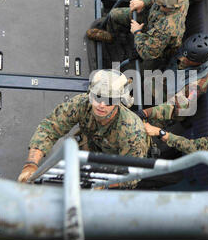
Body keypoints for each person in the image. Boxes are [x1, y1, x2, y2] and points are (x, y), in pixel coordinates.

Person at [17, 69, 150, 185]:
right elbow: (50, 127)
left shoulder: (132, 132)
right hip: (93, 145)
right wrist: (31, 165)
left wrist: (102, 186)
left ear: (118, 102)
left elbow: (131, 176)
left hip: (117, 163)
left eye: (110, 100)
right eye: (97, 97)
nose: (101, 104)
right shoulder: (82, 103)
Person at [86, 0, 189, 68]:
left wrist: (137, 32)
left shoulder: (167, 28)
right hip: (150, 19)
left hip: (158, 47)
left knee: (134, 68)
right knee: (115, 15)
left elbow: (148, 52)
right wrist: (143, 3)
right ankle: (111, 36)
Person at [136, 33, 208, 127]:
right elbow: (167, 52)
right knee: (148, 82)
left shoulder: (197, 84)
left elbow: (175, 107)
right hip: (167, 84)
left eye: (188, 59)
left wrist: (146, 113)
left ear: (199, 62)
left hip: (175, 108)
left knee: (145, 126)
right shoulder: (185, 51)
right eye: (184, 54)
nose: (182, 58)